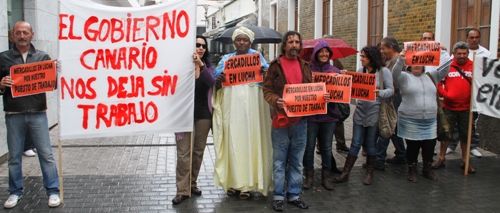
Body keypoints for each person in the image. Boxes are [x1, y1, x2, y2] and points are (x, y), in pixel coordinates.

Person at [0, 21, 61, 209]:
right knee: (14, 157)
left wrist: (55, 72)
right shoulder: (3, 58)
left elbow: (53, 84)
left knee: (46, 154)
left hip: (37, 113)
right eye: (18, 32)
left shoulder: (42, 57)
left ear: (31, 34)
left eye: (25, 32)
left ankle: (53, 191)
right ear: (12, 35)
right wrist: (1, 83)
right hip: (13, 113)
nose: (22, 35)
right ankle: (14, 192)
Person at [212, 26, 272, 200]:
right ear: (234, 42)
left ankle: (248, 184)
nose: (242, 42)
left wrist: (264, 73)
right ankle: (232, 182)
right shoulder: (226, 59)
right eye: (239, 39)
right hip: (232, 108)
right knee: (233, 143)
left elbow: (268, 79)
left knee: (250, 142)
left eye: (245, 39)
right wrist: (219, 78)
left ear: (250, 42)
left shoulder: (258, 58)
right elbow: (216, 80)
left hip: (252, 109)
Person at [263, 31, 312, 211]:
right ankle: (278, 195)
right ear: (284, 45)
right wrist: (276, 100)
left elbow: (312, 91)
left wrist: (322, 96)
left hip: (301, 121)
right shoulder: (274, 66)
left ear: (300, 45)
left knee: (297, 161)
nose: (294, 45)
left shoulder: (306, 66)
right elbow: (266, 90)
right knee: (279, 161)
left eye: (297, 42)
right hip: (281, 121)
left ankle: (294, 194)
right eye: (290, 42)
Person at [333, 46, 394, 185]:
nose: (361, 59)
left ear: (372, 58)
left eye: (363, 57)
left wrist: (379, 93)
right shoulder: (361, 71)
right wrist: (344, 77)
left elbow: (391, 90)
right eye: (361, 56)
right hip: (360, 111)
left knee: (370, 144)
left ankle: (370, 172)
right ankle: (346, 173)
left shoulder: (383, 72)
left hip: (374, 111)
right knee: (355, 143)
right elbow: (353, 87)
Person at [392, 48, 451, 182]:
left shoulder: (432, 75)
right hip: (410, 119)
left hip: (430, 120)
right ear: (409, 64)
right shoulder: (404, 77)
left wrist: (442, 52)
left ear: (424, 65)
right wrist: (401, 59)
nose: (416, 66)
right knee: (413, 146)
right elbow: (394, 74)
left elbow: (447, 66)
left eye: (419, 63)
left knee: (429, 146)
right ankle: (412, 170)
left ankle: (427, 169)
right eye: (414, 63)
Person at [172, 35, 215, 205]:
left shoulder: (209, 67)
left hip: (203, 116)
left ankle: (192, 184)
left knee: (198, 152)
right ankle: (182, 190)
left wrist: (200, 65)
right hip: (183, 116)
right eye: (197, 45)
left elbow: (212, 82)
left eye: (203, 45)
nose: (201, 48)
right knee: (184, 153)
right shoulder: (181, 66)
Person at [446, 28, 490, 158]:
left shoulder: (485, 53)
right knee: (453, 125)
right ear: (467, 38)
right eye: (471, 37)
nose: (474, 39)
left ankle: (472, 146)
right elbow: (447, 71)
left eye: (477, 37)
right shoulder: (459, 52)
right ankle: (452, 145)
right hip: (456, 99)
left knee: (471, 123)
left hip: (474, 95)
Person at [302, 40, 340, 191]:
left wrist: (333, 96)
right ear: (316, 54)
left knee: (326, 147)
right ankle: (309, 176)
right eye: (321, 51)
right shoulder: (307, 70)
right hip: (311, 115)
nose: (324, 54)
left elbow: (342, 94)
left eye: (326, 52)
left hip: (329, 116)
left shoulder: (335, 70)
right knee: (309, 147)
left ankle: (326, 176)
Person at [437, 41, 477, 174]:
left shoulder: (474, 66)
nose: (461, 56)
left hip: (467, 109)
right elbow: (438, 82)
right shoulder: (447, 66)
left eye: (464, 53)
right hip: (449, 107)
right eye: (459, 53)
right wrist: (445, 95)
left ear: (468, 53)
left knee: (466, 136)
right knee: (445, 134)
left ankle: (465, 160)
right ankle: (441, 157)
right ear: (454, 54)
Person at [376, 37, 407, 169]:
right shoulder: (389, 60)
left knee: (388, 125)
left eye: (383, 48)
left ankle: (379, 157)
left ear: (391, 47)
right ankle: (401, 154)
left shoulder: (397, 61)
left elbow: (396, 81)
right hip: (390, 97)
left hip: (395, 97)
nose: (381, 51)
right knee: (393, 126)